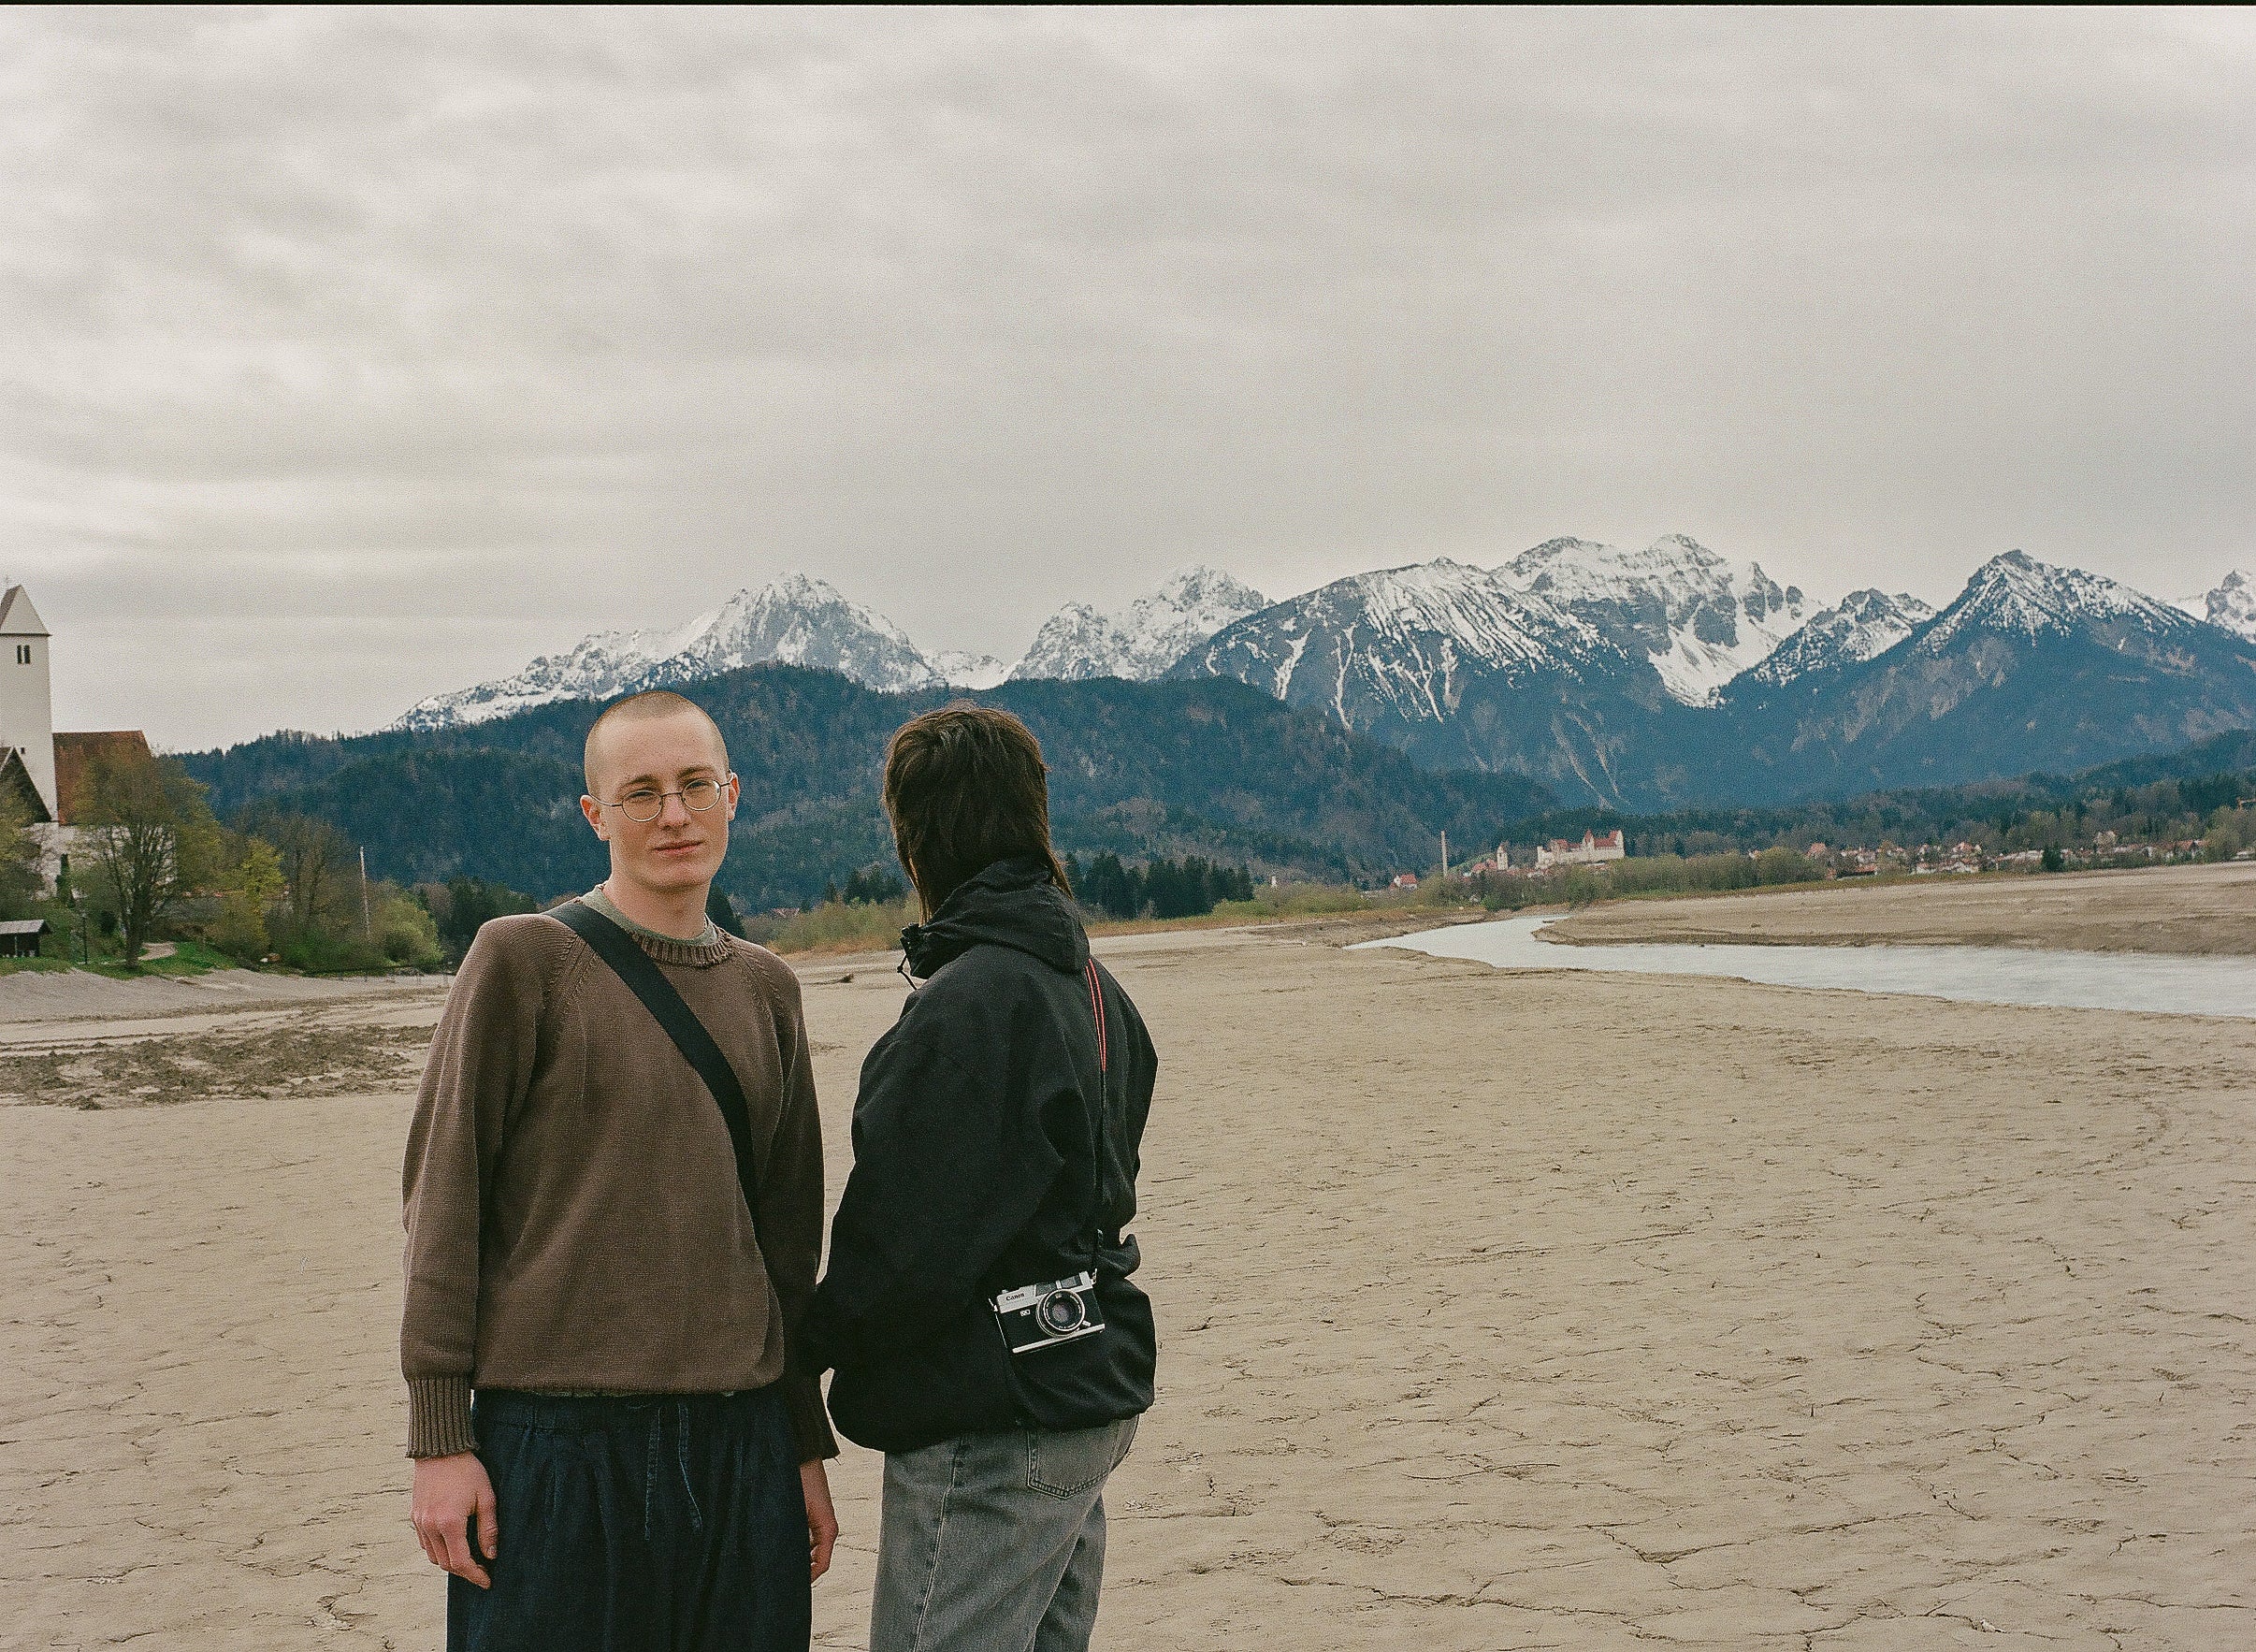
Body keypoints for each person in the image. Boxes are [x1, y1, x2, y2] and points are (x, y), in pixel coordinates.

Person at [401, 689, 839, 1652]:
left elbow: (786, 1246)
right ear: (596, 813)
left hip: (742, 1444)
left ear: (733, 795)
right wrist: (440, 1439)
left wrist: (802, 1442)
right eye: (640, 793)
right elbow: (443, 1202)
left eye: (695, 786)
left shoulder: (768, 988)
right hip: (557, 1447)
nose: (673, 814)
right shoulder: (523, 959)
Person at [802, 703, 1160, 1652]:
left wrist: (797, 1349)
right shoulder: (1094, 987)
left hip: (996, 1419)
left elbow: (903, 1251)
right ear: (1034, 815)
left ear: (912, 840)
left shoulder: (969, 1007)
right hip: (1085, 1380)